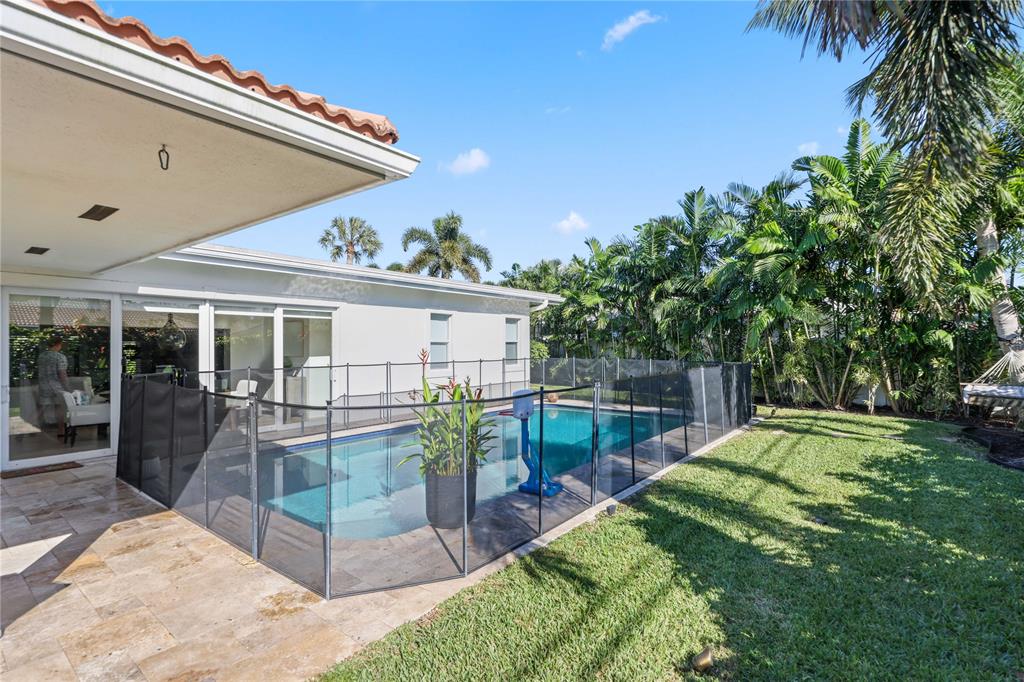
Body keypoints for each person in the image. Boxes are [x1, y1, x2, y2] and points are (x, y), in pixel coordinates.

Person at [38, 334, 70, 436]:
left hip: (43, 386)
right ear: (58, 344)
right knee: (59, 407)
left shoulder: (42, 356)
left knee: (41, 408)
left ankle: (26, 429)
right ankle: (61, 431)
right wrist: (67, 387)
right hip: (57, 387)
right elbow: (62, 374)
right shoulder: (60, 357)